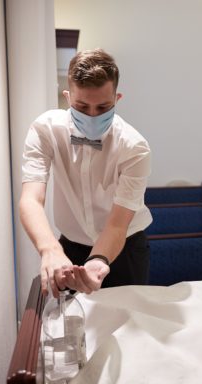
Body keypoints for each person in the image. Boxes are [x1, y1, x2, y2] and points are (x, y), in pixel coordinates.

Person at [19, 49, 152, 296]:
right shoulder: (45, 130)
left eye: (103, 107)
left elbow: (117, 224)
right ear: (68, 97)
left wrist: (98, 259)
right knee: (69, 317)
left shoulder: (134, 147)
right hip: (69, 247)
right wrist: (50, 250)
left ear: (117, 98)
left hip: (125, 248)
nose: (92, 115)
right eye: (82, 106)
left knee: (125, 315)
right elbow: (31, 199)